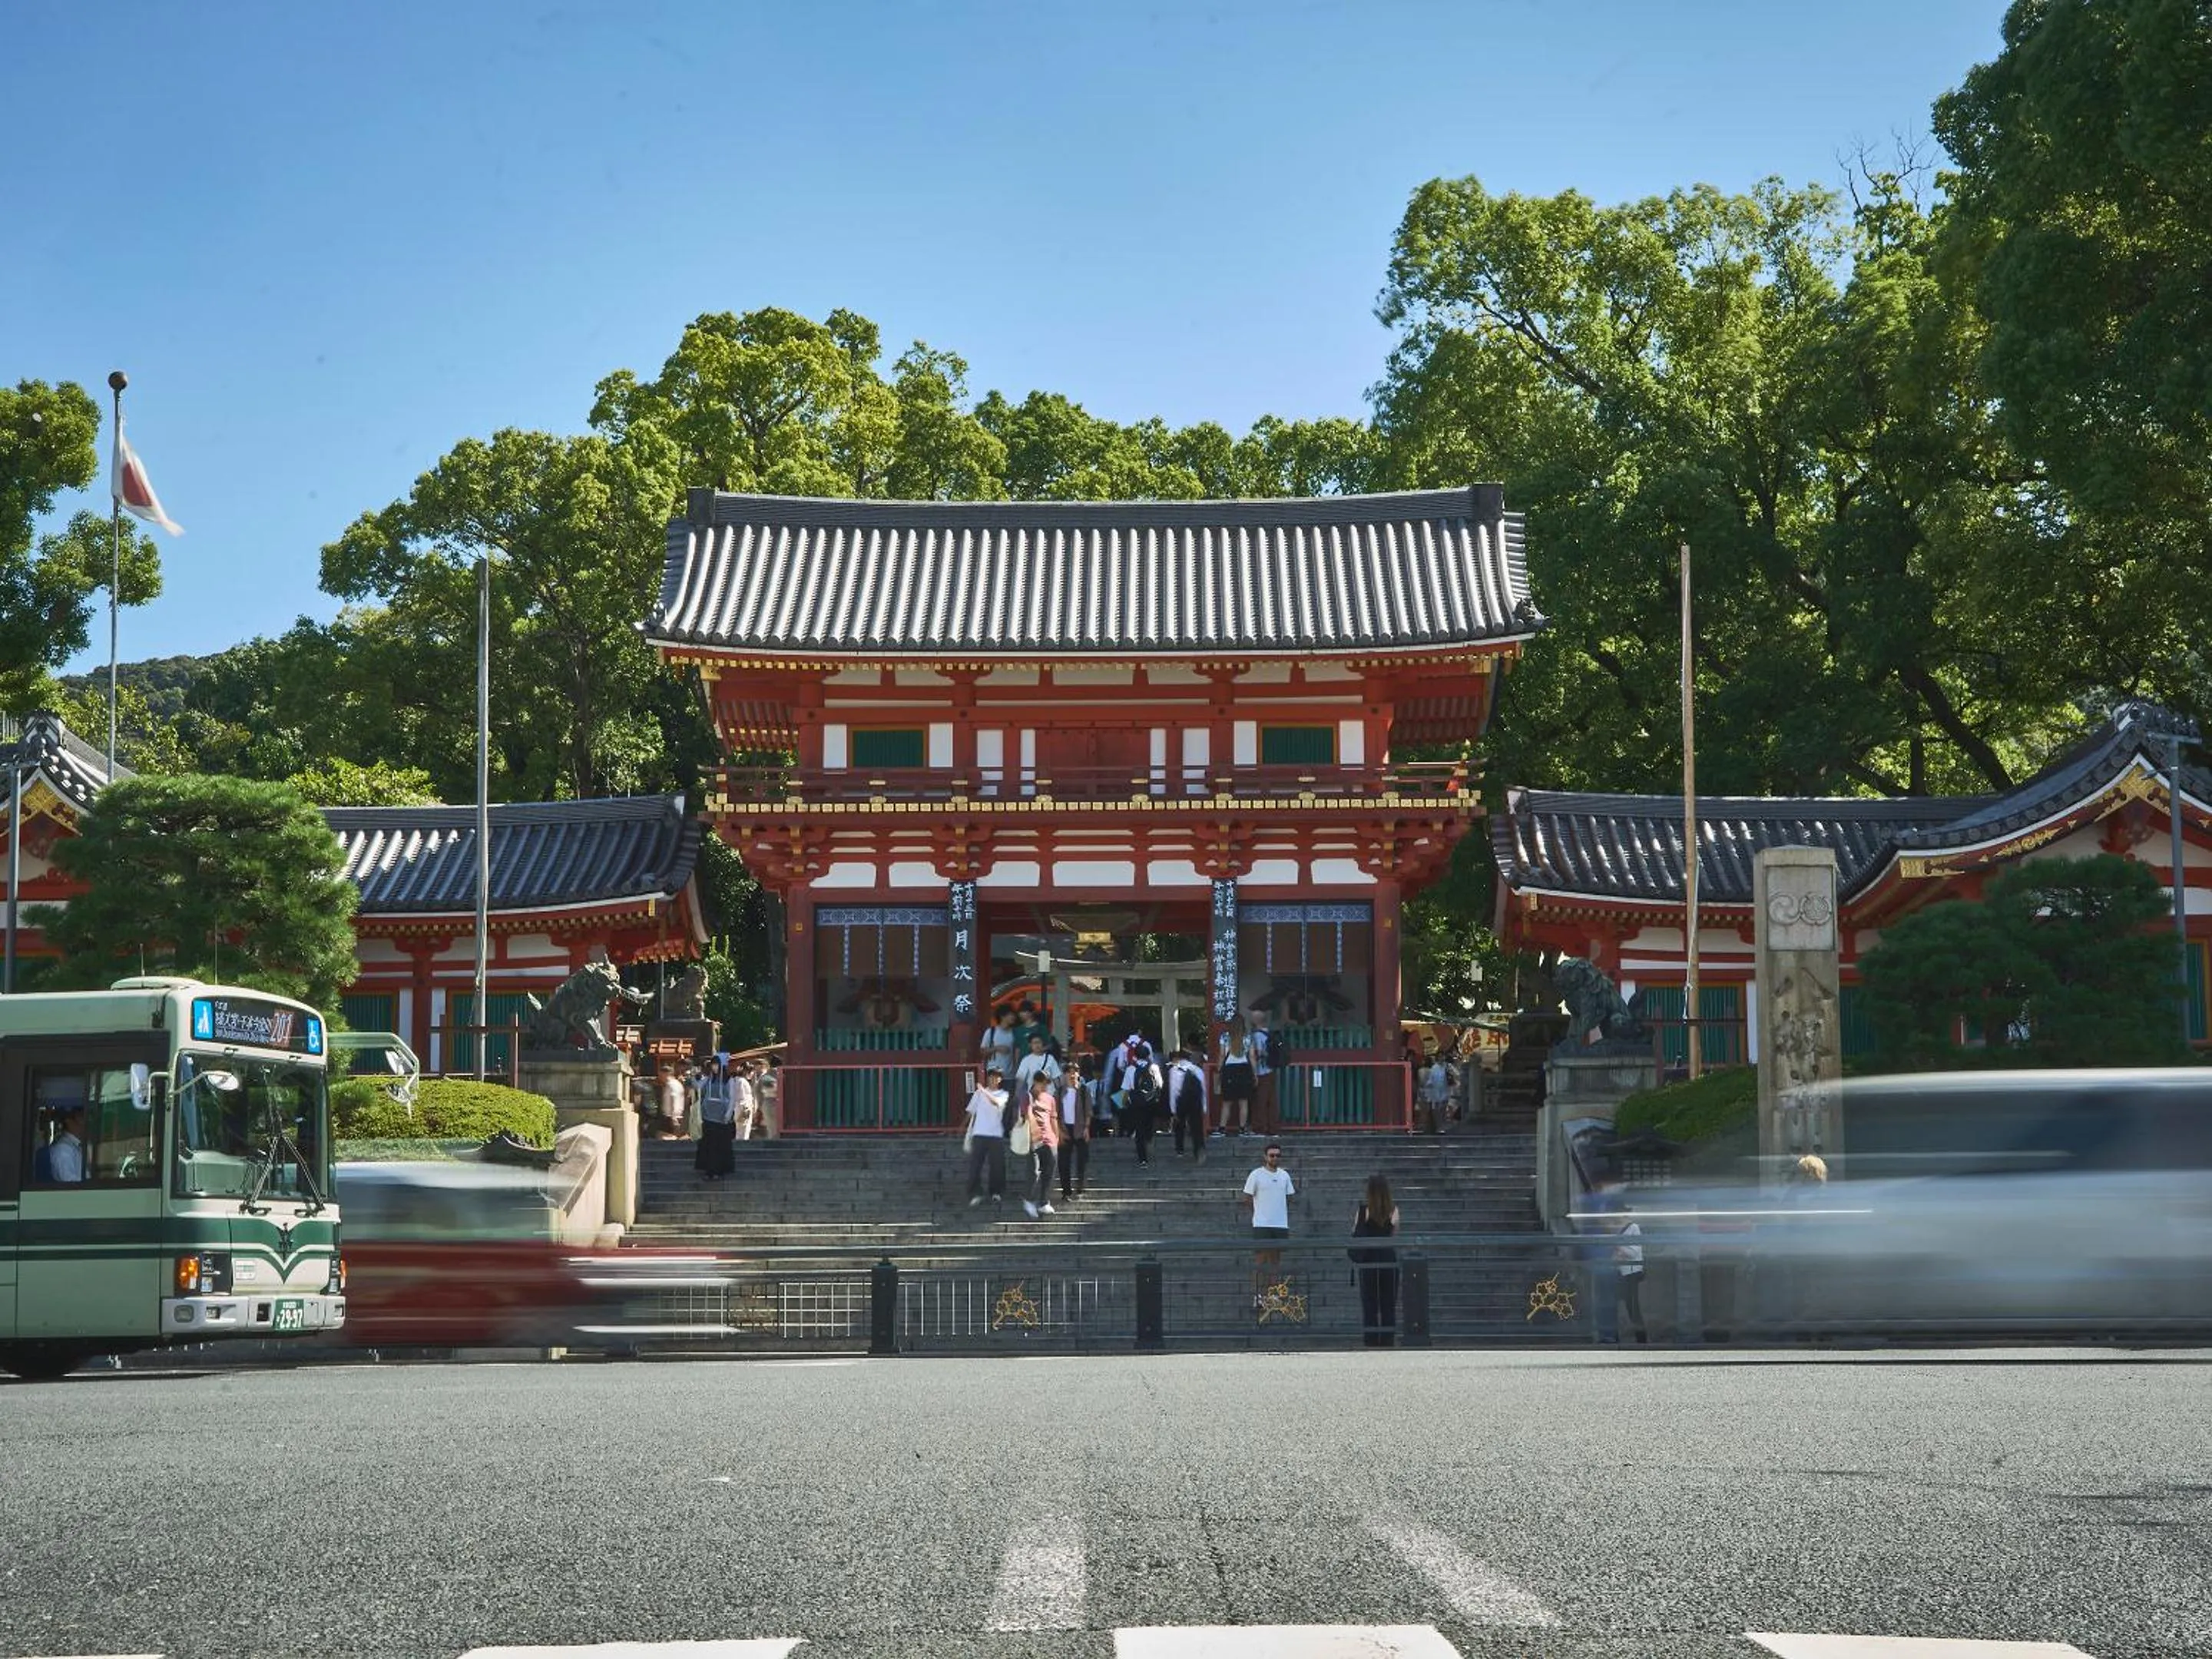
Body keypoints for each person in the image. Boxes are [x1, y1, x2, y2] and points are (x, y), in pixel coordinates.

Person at [1241, 1141, 1296, 1308]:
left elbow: (1290, 1197)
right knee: (1260, 1260)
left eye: (1278, 1155)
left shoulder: (1284, 1175)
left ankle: (1273, 1295)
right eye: (1272, 1155)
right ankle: (1258, 1295)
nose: (1275, 1158)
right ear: (1265, 1157)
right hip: (1262, 1224)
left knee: (1275, 1261)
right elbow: (1247, 1198)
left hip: (1280, 1224)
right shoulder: (1256, 1175)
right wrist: (1259, 1214)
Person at [1350, 1174, 1400, 1346]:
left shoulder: (1364, 1210)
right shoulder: (1393, 1209)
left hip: (1369, 1259)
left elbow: (1355, 1232)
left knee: (1370, 1302)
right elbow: (1394, 1233)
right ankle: (1387, 1339)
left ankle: (1371, 1340)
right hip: (1388, 1257)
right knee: (1388, 1303)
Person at [962, 1066, 1010, 1207]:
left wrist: (983, 1091)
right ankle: (975, 1193)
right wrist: (962, 1127)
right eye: (991, 1076)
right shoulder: (978, 1094)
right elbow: (971, 1112)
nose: (993, 1079)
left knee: (997, 1166)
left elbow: (996, 1103)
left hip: (996, 1134)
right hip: (979, 1133)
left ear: (1000, 1079)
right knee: (975, 1166)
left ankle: (996, 1192)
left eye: (996, 1076)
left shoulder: (1003, 1094)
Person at [1118, 1041, 1164, 1167]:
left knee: (1139, 1130)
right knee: (1149, 1127)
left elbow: (1126, 1089)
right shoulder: (1154, 1067)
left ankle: (1143, 1159)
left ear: (1136, 1056)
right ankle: (1150, 1144)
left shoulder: (1130, 1069)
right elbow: (1160, 1085)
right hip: (1151, 1103)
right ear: (1148, 1055)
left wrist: (1123, 1104)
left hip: (1136, 1104)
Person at [1021, 1075, 1060, 1220]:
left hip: (1049, 1139)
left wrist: (1056, 1137)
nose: (1045, 1087)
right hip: (1033, 1139)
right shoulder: (1027, 1097)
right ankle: (1029, 1199)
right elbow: (1027, 1114)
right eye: (1042, 1084)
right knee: (1034, 1171)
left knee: (1049, 1171)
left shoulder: (1050, 1099)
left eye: (1047, 1085)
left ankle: (1044, 1201)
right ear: (1035, 1082)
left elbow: (1053, 1118)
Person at [694, 1057, 737, 1181]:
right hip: (708, 1116)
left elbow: (732, 1097)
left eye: (716, 1065)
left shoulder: (728, 1080)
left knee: (719, 1145)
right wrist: (694, 1077)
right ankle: (709, 1170)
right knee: (708, 1145)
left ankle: (719, 1170)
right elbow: (698, 1086)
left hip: (722, 1118)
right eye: (712, 1065)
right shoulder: (708, 1079)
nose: (714, 1068)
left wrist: (729, 1113)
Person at [1215, 1015, 1256, 1138]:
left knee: (1227, 1102)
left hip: (1229, 1070)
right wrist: (1254, 1074)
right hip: (1244, 1069)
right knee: (1243, 1102)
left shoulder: (1225, 1037)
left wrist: (1218, 1069)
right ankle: (1242, 1129)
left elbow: (1222, 1055)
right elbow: (1252, 1057)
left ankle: (1222, 1129)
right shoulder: (1248, 1037)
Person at [1613, 1204, 1649, 1344]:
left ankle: (1641, 1338)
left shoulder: (1634, 1228)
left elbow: (1633, 1252)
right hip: (1623, 1272)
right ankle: (1635, 1336)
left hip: (1632, 1273)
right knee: (1629, 1306)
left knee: (1633, 1307)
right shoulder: (1621, 1230)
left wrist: (1618, 1246)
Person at [1167, 1047, 1208, 1161]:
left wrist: (1173, 1109)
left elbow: (1173, 1091)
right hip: (1195, 1101)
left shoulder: (1174, 1070)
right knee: (1197, 1127)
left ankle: (1180, 1150)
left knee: (1179, 1125)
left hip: (1181, 1100)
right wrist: (1204, 1106)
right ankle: (1199, 1149)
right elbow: (1203, 1089)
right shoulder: (1197, 1070)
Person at [1058, 1064, 1090, 1201]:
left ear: (1078, 1074)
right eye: (1069, 1073)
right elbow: (1055, 1113)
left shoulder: (1083, 1090)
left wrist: (1087, 1128)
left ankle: (1080, 1189)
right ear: (1064, 1075)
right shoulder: (1059, 1092)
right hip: (1064, 1129)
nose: (1072, 1075)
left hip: (1080, 1128)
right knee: (1064, 1162)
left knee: (1082, 1161)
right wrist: (1059, 1131)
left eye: (1075, 1072)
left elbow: (1088, 1110)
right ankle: (1066, 1192)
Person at [1249, 1008, 1278, 1136]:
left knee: (1260, 1100)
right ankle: (1273, 1128)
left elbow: (1259, 1053)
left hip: (1261, 1071)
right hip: (1271, 1070)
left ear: (1254, 1021)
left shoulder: (1256, 1035)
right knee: (1272, 1101)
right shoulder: (1270, 1033)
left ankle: (1260, 1127)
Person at [42, 1103, 88, 1184]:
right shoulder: (63, 1149)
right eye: (81, 1118)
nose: (85, 1123)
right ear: (69, 1121)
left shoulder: (77, 1146)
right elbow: (70, 1183)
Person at [1013, 1033, 1061, 1101]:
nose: (1037, 1045)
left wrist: (1058, 1093)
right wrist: (1017, 1094)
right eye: (1034, 1043)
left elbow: (1056, 1078)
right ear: (1030, 1045)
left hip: (1050, 1095)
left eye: (1039, 1042)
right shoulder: (1026, 1060)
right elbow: (1020, 1079)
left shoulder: (1050, 1059)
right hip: (1035, 1097)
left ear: (1042, 1044)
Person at [1417, 1051, 1452, 1135]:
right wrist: (1427, 1086)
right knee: (1437, 1110)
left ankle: (1442, 1126)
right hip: (1435, 1091)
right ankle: (1438, 1127)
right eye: (1440, 1057)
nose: (1441, 1058)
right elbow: (1431, 1079)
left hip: (1445, 1090)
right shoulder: (1434, 1068)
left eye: (1442, 1056)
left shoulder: (1447, 1066)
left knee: (1443, 1109)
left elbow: (1454, 1075)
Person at [980, 1008, 1018, 1086]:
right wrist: (997, 1048)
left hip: (1010, 1075)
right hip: (993, 1074)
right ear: (1002, 1017)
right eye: (1011, 1015)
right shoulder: (991, 1032)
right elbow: (982, 1051)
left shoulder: (1014, 1033)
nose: (1013, 1017)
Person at [654, 1061, 687, 1139]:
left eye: (661, 1075)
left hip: (671, 1116)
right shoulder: (677, 1084)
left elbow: (674, 1099)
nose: (660, 1077)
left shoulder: (671, 1084)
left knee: (662, 1136)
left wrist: (673, 1117)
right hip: (675, 1115)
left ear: (666, 1074)